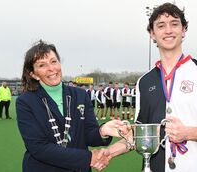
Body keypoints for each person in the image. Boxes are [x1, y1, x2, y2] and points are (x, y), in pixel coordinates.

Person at [107, 3, 197, 172]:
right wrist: (107, 152)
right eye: (161, 26)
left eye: (174, 24)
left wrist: (187, 133)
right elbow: (139, 136)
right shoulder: (143, 82)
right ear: (152, 33)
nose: (168, 31)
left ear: (184, 30)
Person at [16, 40, 126, 172]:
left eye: (53, 61)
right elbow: (38, 147)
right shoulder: (25, 101)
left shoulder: (80, 95)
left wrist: (102, 131)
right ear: (33, 74)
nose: (51, 68)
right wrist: (88, 158)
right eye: (42, 65)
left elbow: (88, 134)